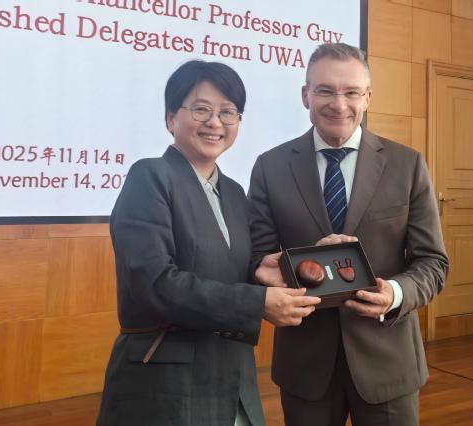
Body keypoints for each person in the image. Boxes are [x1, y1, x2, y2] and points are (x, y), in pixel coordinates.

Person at [96, 60, 321, 426]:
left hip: (232, 374)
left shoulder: (234, 193)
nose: (215, 122)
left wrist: (258, 273)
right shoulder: (150, 176)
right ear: (171, 118)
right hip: (165, 380)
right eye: (201, 109)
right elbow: (153, 283)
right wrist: (258, 301)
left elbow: (223, 274)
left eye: (227, 112)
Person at [248, 43, 449, 425]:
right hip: (305, 363)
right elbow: (257, 260)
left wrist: (395, 294)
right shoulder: (270, 167)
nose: (338, 104)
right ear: (306, 95)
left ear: (368, 97)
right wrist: (282, 270)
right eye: (325, 90)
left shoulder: (407, 165)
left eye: (351, 92)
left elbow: (433, 263)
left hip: (388, 360)